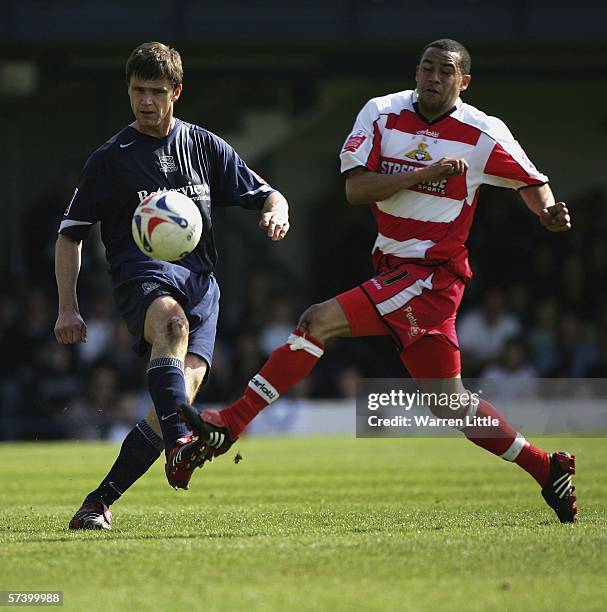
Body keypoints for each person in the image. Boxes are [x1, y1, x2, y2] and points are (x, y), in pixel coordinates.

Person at [180, 39, 577, 524]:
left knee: (316, 322)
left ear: (463, 81)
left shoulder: (483, 133)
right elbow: (355, 188)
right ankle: (548, 468)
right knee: (449, 403)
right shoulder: (381, 113)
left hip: (431, 276)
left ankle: (232, 422)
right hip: (394, 271)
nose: (433, 77)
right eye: (427, 68)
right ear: (416, 71)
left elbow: (531, 180)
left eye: (445, 71)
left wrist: (547, 214)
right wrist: (423, 173)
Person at [54, 42, 289, 530]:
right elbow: (70, 235)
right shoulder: (109, 159)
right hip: (142, 275)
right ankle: (183, 438)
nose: (145, 101)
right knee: (172, 327)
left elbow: (268, 193)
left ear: (176, 92)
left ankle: (98, 502)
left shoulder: (203, 146)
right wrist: (67, 308)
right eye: (138, 90)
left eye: (156, 91)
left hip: (203, 283)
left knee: (173, 403)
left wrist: (275, 212)